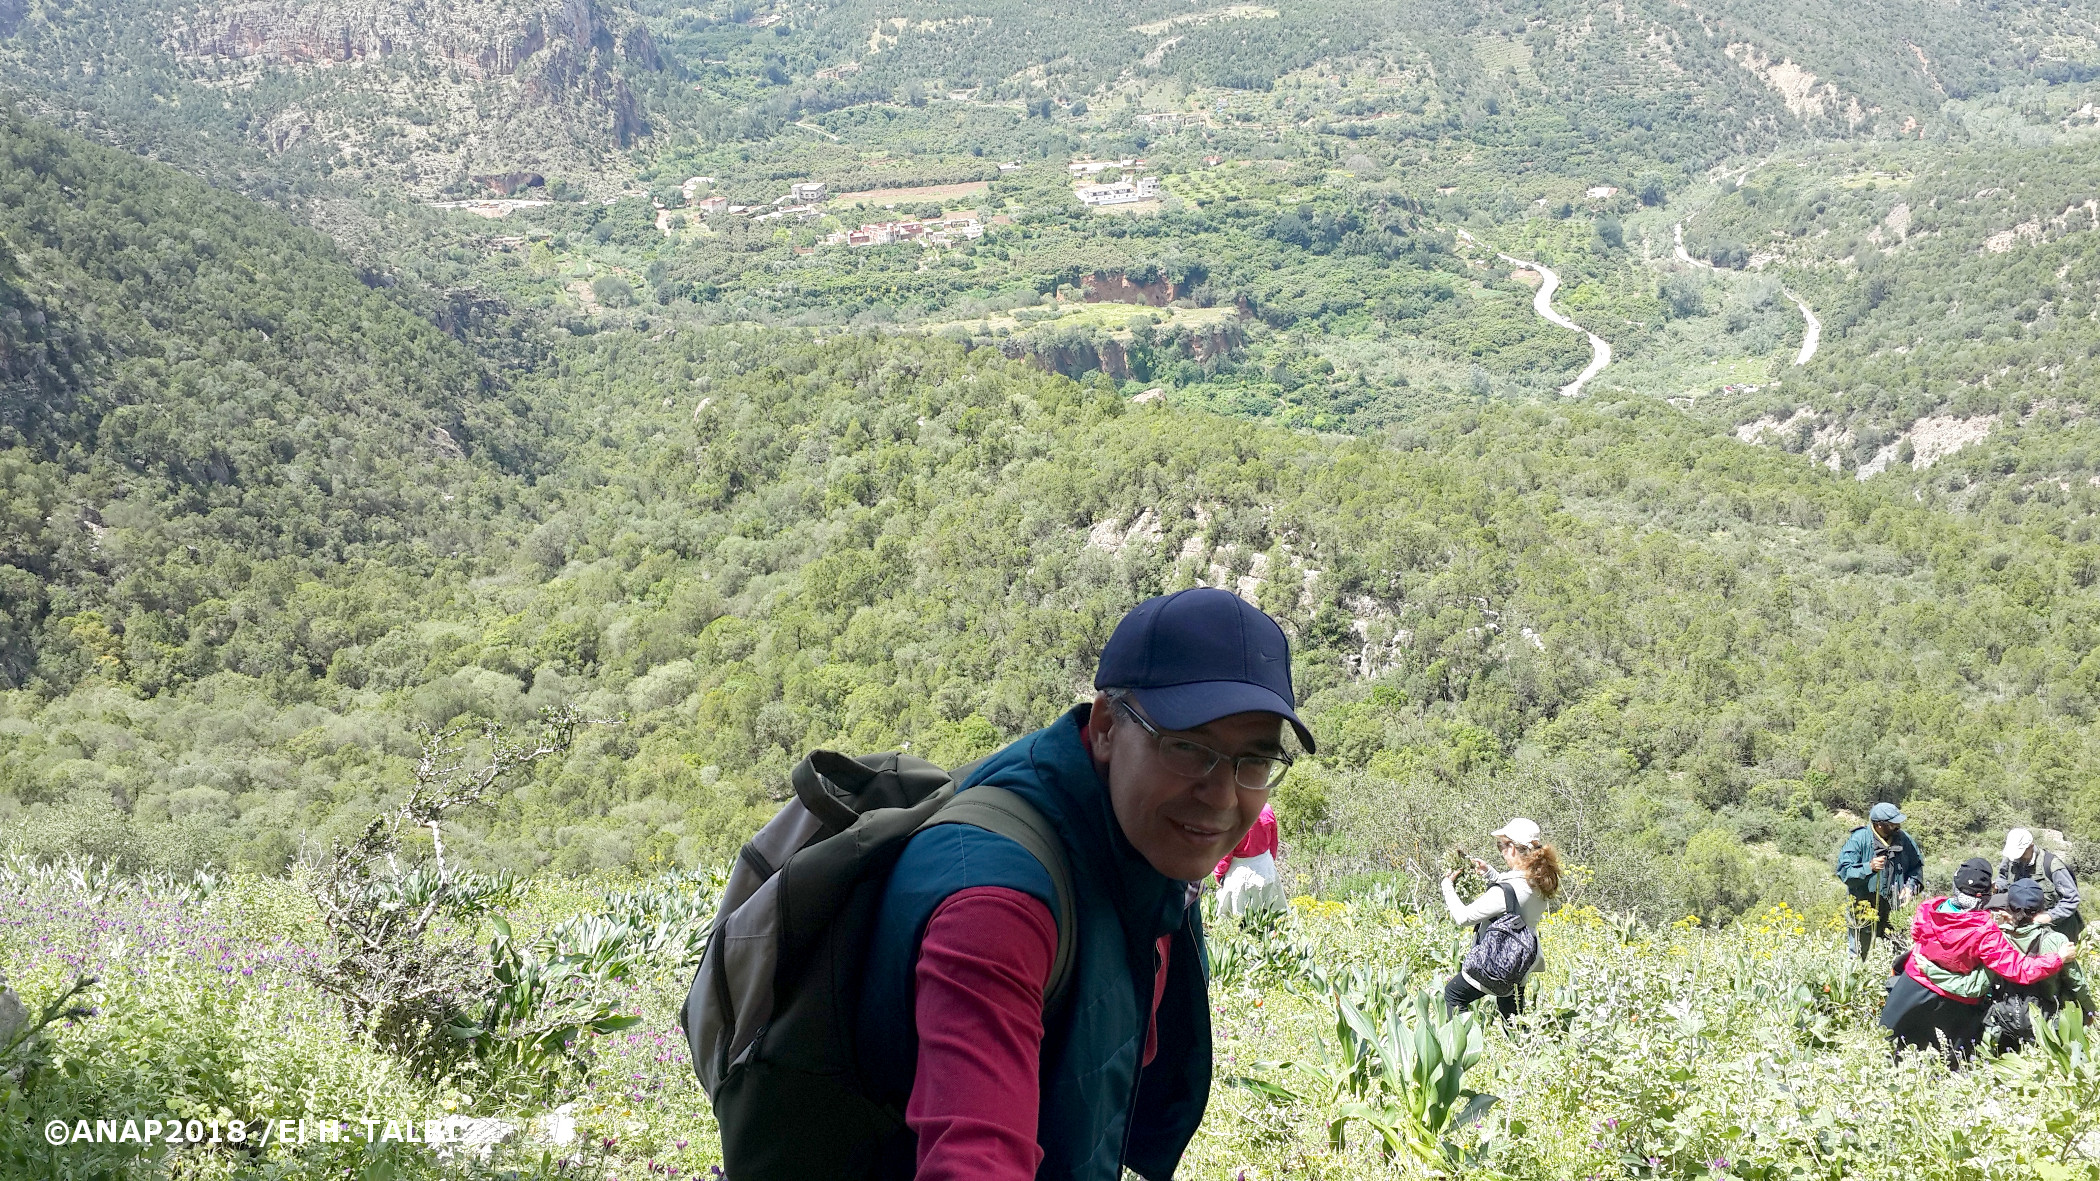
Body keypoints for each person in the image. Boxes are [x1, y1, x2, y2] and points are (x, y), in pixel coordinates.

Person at [857, 587, 1316, 1181]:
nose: (1224, 798)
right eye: (1188, 747)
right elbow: (974, 1157)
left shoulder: (1143, 841)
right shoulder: (998, 908)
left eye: (1252, 762)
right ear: (1104, 727)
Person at [1880, 858, 2076, 1063]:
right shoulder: (1985, 931)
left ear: (1955, 886)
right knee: (1943, 1060)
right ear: (1987, 894)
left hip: (1912, 985)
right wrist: (2058, 958)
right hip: (1954, 1002)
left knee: (1891, 1046)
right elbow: (2019, 969)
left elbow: (1916, 934)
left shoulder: (1928, 909)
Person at [1440, 818, 1560, 1019]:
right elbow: (1515, 901)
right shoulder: (1541, 879)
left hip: (1498, 959)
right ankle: (1520, 1048)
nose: (1501, 851)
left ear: (1513, 848)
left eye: (1501, 846)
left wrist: (1447, 886)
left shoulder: (1505, 891)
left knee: (1454, 995)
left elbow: (1462, 918)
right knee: (1512, 1016)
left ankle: (1465, 1047)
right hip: (1521, 959)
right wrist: (1491, 874)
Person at [1984, 878, 2096, 1053]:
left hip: (2008, 1016)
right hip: (2049, 1018)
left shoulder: (1998, 938)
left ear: (2009, 907)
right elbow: (2076, 982)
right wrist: (2090, 1010)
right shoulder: (2055, 940)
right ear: (2042, 907)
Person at [1835, 802, 1924, 959]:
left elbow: (1916, 868)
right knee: (1858, 956)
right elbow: (1844, 872)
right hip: (1863, 910)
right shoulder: (1859, 839)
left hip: (1895, 910)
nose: (1898, 826)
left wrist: (1911, 887)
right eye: (1893, 823)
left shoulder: (1904, 839)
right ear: (1879, 825)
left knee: (1901, 955)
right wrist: (1868, 867)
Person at [1996, 827, 2084, 942]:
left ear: (2031, 846)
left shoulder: (2051, 865)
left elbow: (2072, 898)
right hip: (2026, 928)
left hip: (2057, 929)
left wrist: (2050, 916)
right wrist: (1997, 887)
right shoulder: (2011, 859)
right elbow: (2003, 877)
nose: (2019, 857)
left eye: (2022, 853)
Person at [1213, 801, 1285, 916]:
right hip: (1266, 867)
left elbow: (1227, 851)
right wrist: (1270, 862)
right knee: (1268, 914)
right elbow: (1273, 842)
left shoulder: (1233, 814)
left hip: (1239, 873)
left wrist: (1219, 873)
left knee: (1238, 917)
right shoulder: (1266, 808)